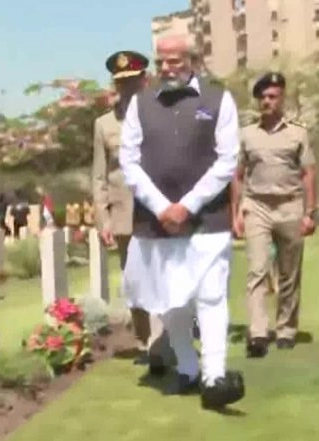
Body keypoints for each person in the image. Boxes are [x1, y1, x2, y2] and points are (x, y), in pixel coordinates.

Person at [119, 35, 245, 409]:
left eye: (175, 60)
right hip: (157, 222)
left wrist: (187, 205)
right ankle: (188, 369)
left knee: (211, 295)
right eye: (163, 60)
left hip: (206, 219)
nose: (168, 67)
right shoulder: (140, 105)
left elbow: (227, 161)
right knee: (170, 300)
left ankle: (215, 375)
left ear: (192, 59)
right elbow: (129, 162)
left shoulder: (219, 99)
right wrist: (162, 207)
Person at [92, 49, 173, 375]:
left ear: (145, 81)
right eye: (120, 82)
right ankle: (145, 341)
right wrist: (103, 217)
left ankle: (160, 343)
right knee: (136, 282)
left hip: (157, 210)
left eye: (132, 81)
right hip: (124, 212)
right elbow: (99, 175)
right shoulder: (103, 125)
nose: (126, 88)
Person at [232, 72, 317, 358]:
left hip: (290, 205)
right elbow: (238, 176)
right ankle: (257, 332)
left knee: (288, 273)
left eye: (273, 96)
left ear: (281, 99)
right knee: (257, 270)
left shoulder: (297, 133)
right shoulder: (247, 134)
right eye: (263, 97)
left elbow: (308, 174)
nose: (267, 102)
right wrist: (236, 214)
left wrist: (309, 213)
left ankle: (286, 329)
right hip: (257, 207)